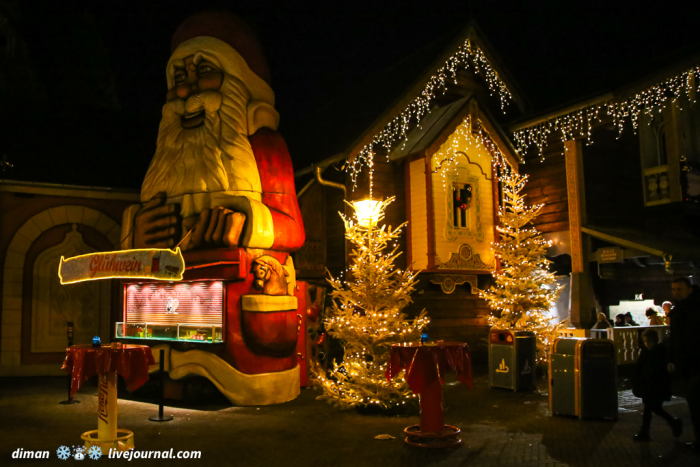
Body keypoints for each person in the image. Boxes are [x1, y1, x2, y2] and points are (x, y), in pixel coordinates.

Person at [120, 11, 305, 253]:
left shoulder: (263, 145)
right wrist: (137, 234)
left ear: (239, 82)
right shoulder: (166, 157)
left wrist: (248, 224)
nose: (186, 91)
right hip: (165, 287)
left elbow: (292, 229)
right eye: (179, 78)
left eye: (205, 71)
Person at [667, 277, 700, 451]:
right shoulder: (682, 310)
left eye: (679, 289)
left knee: (696, 403)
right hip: (687, 363)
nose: (675, 293)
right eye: (673, 289)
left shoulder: (689, 310)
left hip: (693, 363)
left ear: (689, 290)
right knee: (694, 404)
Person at [632, 328, 683, 441]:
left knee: (652, 408)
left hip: (656, 384)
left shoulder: (660, 351)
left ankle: (648, 431)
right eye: (645, 342)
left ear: (654, 340)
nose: (646, 344)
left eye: (648, 341)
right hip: (650, 384)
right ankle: (670, 423)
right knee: (652, 408)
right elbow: (639, 367)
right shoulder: (649, 351)